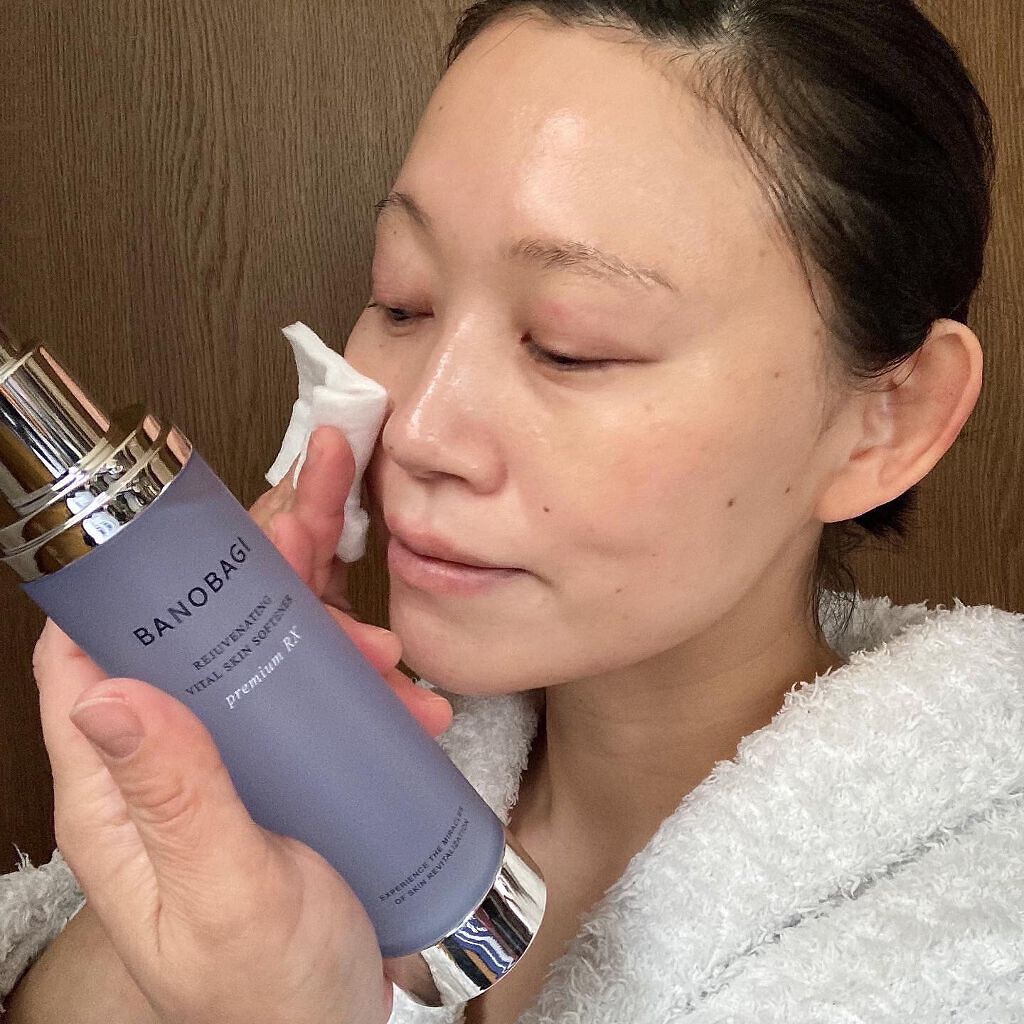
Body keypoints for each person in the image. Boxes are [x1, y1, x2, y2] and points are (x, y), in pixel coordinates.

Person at [3, 1, 1021, 1022]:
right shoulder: (385, 786)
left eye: (572, 347)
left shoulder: (978, 950)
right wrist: (266, 774)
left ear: (885, 422)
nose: (416, 430)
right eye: (401, 301)